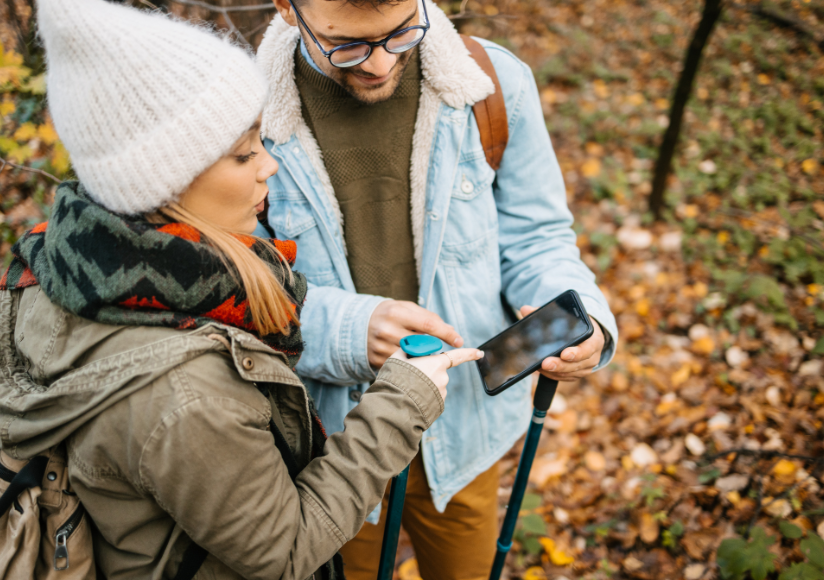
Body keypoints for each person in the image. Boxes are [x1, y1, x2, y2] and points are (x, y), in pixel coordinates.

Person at [0, 0, 481, 578]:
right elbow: (284, 552)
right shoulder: (186, 394)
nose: (268, 168)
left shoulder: (56, 268)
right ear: (165, 180)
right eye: (245, 153)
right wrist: (403, 399)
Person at [256, 0, 619, 578]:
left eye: (401, 33)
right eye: (346, 44)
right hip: (331, 449)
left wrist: (587, 316)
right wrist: (350, 331)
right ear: (286, 7)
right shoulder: (240, 115)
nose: (377, 65)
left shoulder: (492, 87)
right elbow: (235, 292)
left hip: (463, 430)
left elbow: (539, 238)